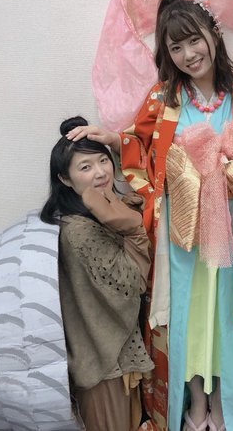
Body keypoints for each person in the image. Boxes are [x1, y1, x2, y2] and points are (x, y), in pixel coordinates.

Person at [67, 0, 233, 431]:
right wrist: (113, 140)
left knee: (226, 316)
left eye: (194, 40)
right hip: (183, 231)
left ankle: (225, 403)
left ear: (213, 35)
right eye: (176, 47)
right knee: (189, 314)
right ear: (167, 53)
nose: (189, 54)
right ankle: (195, 402)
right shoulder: (164, 97)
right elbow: (140, 143)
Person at [40, 116, 154, 431]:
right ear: (65, 179)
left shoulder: (101, 210)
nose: (101, 172)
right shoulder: (79, 230)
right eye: (85, 167)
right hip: (103, 365)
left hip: (110, 358)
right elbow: (131, 284)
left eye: (103, 160)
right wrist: (133, 229)